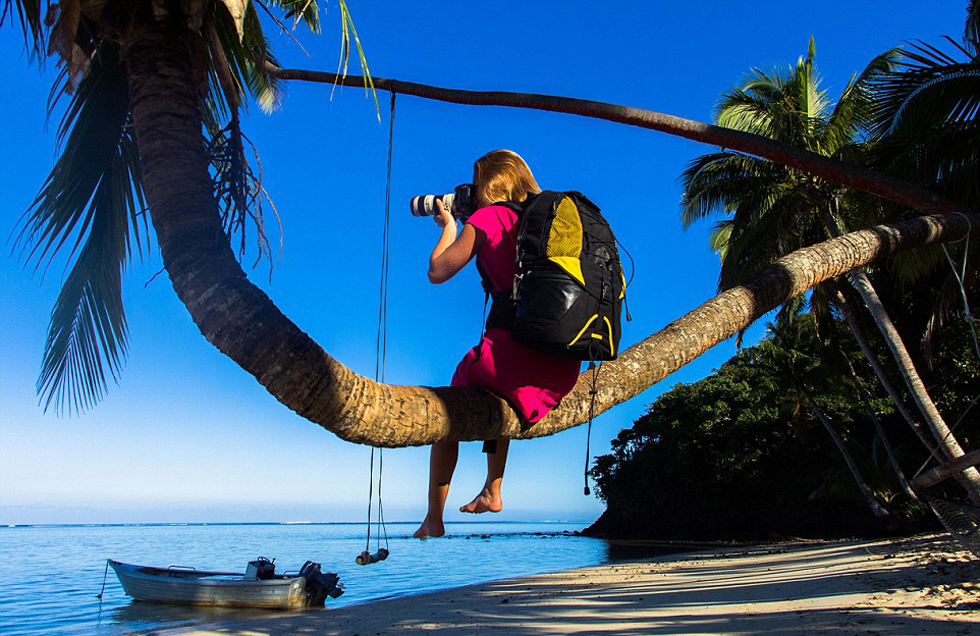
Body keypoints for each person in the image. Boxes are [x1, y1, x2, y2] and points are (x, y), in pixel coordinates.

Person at [413, 149, 580, 540]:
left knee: (451, 405)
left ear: (488, 184)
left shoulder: (489, 217)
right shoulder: (544, 225)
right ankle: (493, 487)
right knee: (497, 390)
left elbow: (438, 271)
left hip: (511, 361)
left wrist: (449, 227)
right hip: (560, 364)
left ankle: (433, 519)